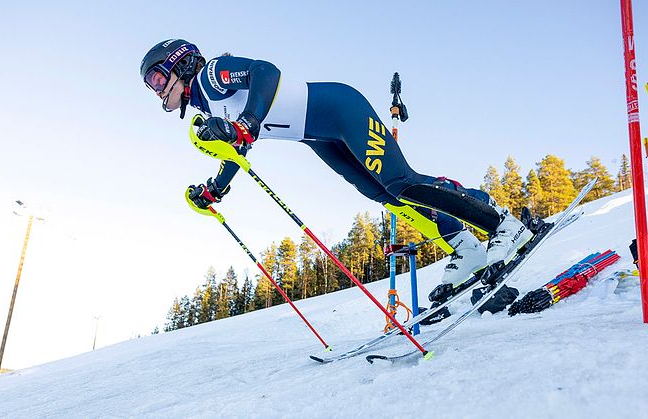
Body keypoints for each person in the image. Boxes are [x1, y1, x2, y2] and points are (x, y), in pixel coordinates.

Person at [139, 39, 533, 304]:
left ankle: (500, 222)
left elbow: (266, 72)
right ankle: (465, 247)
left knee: (401, 181)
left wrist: (248, 122)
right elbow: (238, 148)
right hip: (319, 136)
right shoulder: (210, 108)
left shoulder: (212, 75)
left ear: (181, 63)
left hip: (340, 109)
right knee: (384, 194)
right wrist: (215, 189)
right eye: (150, 85)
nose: (157, 89)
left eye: (157, 78)